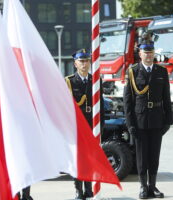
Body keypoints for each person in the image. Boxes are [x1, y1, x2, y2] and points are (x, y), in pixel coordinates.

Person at [123, 39, 172, 199]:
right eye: (146, 52)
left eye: (151, 52)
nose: (149, 55)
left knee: (154, 156)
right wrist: (130, 124)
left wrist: (168, 120)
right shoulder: (133, 72)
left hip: (157, 119)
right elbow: (128, 101)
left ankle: (153, 186)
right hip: (140, 121)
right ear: (140, 54)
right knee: (142, 157)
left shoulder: (161, 72)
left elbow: (166, 98)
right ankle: (143, 187)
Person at [65, 49, 104, 200]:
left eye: (87, 61)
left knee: (90, 159)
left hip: (91, 126)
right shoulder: (69, 81)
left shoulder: (95, 80)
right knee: (78, 160)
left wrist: (101, 127)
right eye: (81, 61)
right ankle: (78, 189)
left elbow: (100, 107)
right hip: (76, 127)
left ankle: (88, 189)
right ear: (75, 63)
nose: (84, 64)